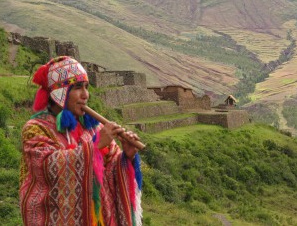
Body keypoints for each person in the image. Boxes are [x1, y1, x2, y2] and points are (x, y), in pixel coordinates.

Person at [19, 56, 143, 226]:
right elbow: (47, 168)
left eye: (86, 87)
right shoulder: (35, 129)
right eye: (77, 87)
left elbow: (110, 168)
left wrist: (126, 156)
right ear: (59, 93)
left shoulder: (94, 128)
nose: (85, 95)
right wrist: (96, 146)